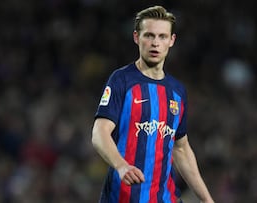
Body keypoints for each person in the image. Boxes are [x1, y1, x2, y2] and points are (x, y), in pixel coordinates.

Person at [91, 5, 215, 203]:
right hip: (122, 197)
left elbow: (181, 148)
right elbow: (99, 132)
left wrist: (207, 200)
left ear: (171, 41)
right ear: (136, 37)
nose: (155, 43)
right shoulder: (122, 80)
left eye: (162, 36)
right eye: (149, 35)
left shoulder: (177, 92)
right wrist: (121, 165)